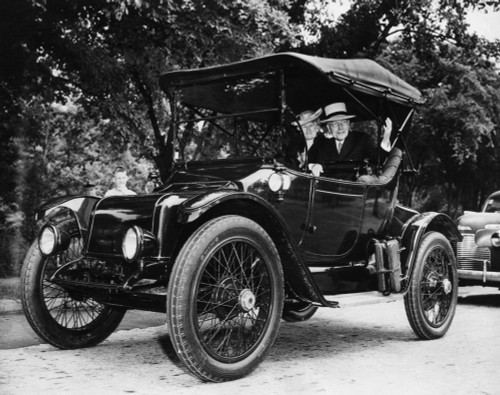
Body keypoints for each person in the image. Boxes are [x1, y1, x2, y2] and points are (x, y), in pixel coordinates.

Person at [307, 102, 392, 177]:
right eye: (335, 124)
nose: (340, 128)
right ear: (329, 128)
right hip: (326, 190)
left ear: (348, 124)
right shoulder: (322, 143)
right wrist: (316, 166)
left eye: (343, 122)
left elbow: (378, 160)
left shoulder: (361, 139)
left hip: (353, 191)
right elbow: (312, 160)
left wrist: (386, 138)